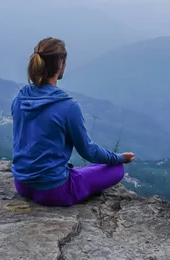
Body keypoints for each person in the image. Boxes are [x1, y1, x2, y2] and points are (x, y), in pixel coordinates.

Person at [11, 37, 135, 207]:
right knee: (116, 169)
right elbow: (88, 151)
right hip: (54, 191)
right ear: (61, 63)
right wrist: (119, 158)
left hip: (22, 184)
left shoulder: (20, 97)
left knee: (79, 171)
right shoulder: (67, 106)